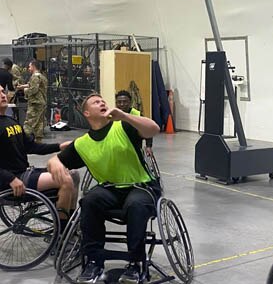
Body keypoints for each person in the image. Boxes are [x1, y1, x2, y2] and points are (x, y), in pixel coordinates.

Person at [47, 93, 161, 284]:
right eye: (95, 102)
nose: (102, 102)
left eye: (102, 101)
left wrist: (124, 115)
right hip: (111, 189)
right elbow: (57, 159)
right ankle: (93, 261)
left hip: (140, 185)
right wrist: (53, 161)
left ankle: (135, 263)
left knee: (136, 204)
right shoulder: (82, 143)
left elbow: (154, 130)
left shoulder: (122, 126)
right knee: (90, 200)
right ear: (86, 113)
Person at [0, 85, 78, 232]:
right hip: (11, 181)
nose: (3, 95)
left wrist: (59, 146)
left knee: (73, 174)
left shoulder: (11, 121)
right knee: (66, 180)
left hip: (24, 173)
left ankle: (69, 224)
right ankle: (62, 234)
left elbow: (31, 147)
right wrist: (10, 178)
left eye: (3, 92)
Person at [17, 59, 47, 143]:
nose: (28, 68)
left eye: (29, 66)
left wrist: (25, 90)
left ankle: (22, 140)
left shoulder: (35, 76)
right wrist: (22, 86)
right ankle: (38, 140)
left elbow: (33, 89)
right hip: (42, 102)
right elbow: (32, 85)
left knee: (29, 122)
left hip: (35, 103)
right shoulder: (42, 76)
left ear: (33, 66)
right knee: (39, 123)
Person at [116, 90, 153, 155]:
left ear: (130, 102)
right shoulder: (113, 116)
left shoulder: (137, 115)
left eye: (125, 102)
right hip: (118, 151)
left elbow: (148, 131)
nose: (122, 104)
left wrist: (148, 146)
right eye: (119, 102)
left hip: (135, 150)